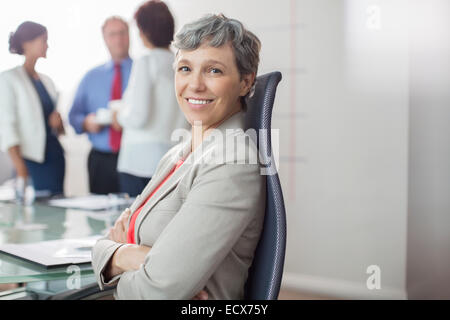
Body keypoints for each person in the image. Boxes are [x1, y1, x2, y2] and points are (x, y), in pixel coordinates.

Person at [92, 14, 265, 300]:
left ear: (246, 82)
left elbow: (157, 292)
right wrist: (128, 255)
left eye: (214, 71)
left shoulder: (233, 161)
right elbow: (108, 240)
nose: (195, 85)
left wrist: (117, 258)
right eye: (185, 68)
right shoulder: (177, 153)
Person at [111, 1, 187, 197]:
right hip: (173, 159)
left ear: (143, 31)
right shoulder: (182, 63)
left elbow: (138, 116)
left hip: (138, 162)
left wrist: (117, 116)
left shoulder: (145, 61)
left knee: (135, 224)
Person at [0, 21, 65, 196]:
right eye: (43, 40)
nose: (47, 45)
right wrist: (21, 169)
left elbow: (55, 128)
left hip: (54, 156)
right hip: (30, 160)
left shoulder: (47, 81)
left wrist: (58, 123)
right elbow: (7, 127)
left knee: (56, 208)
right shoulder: (9, 79)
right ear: (27, 43)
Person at [68, 16, 132, 195]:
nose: (118, 39)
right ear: (104, 39)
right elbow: (73, 116)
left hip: (134, 157)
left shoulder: (141, 73)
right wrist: (86, 123)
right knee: (99, 216)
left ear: (129, 36)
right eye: (112, 34)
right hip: (100, 160)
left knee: (136, 214)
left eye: (122, 33)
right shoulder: (91, 77)